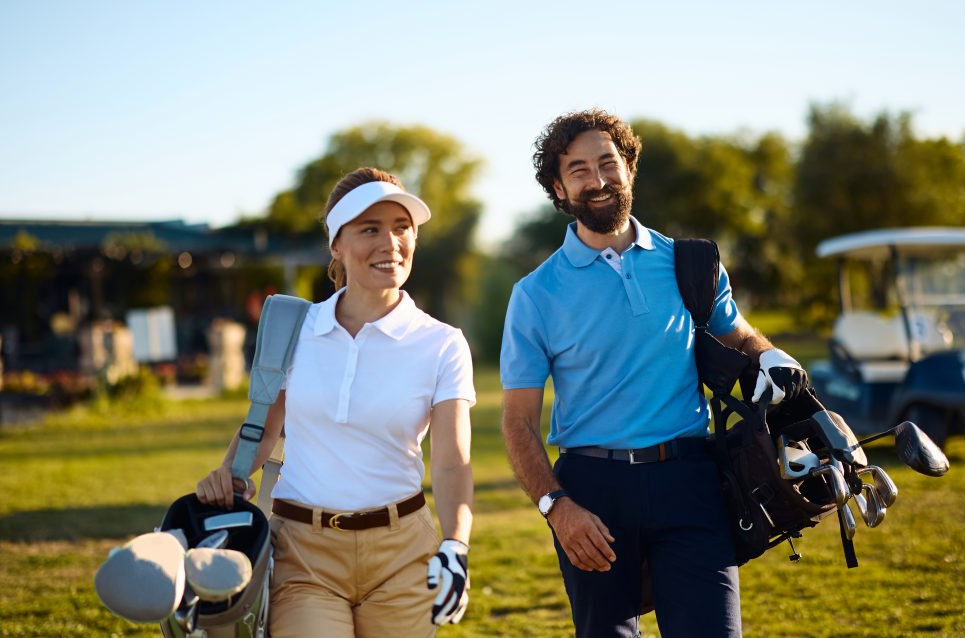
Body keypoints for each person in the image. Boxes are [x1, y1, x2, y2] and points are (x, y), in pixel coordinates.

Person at [500, 109, 809, 638]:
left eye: (608, 162)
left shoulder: (690, 263)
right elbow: (518, 422)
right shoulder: (535, 294)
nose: (597, 181)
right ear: (558, 187)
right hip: (593, 494)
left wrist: (769, 355)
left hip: (690, 481)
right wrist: (558, 508)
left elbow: (739, 334)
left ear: (629, 168)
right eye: (578, 170)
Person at [197, 167, 475, 637]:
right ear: (337, 245)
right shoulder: (293, 328)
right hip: (302, 555)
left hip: (403, 554)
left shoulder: (442, 343)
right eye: (370, 229)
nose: (391, 243)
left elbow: (452, 462)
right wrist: (226, 477)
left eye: (401, 227)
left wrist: (455, 546)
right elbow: (265, 428)